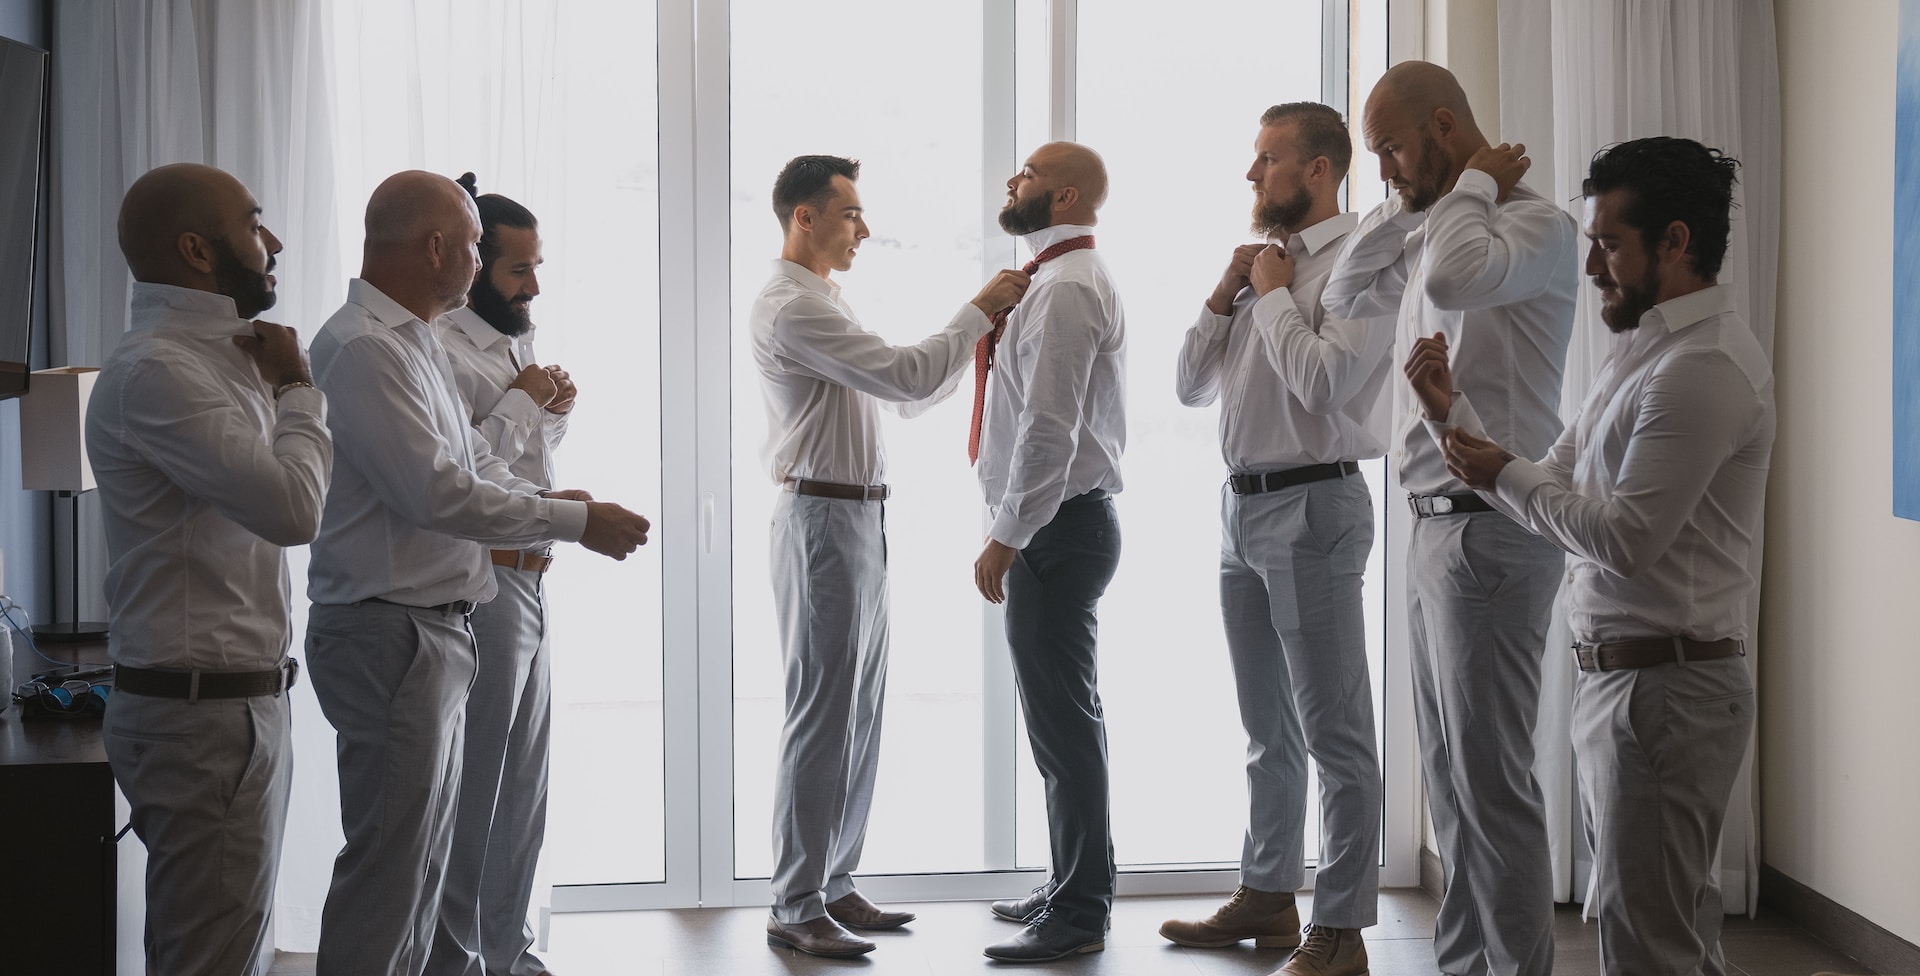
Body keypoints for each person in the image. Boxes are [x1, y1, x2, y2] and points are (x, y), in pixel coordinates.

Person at [1408, 137, 1770, 976]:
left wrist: (1500, 466)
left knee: (1649, 947)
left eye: (1609, 243)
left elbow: (1626, 542)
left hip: (1669, 692)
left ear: (1674, 243)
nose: (1593, 266)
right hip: (1631, 686)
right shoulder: (1640, 353)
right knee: (1656, 934)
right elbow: (1555, 482)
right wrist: (1449, 414)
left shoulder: (1699, 368)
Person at [305, 170, 652, 976]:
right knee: (391, 877)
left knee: (423, 867)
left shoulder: (415, 339)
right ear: (438, 248)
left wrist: (551, 489)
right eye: (472, 246)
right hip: (390, 625)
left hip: (438, 618)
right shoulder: (363, 346)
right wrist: (573, 518)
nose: (473, 264)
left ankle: (488, 955)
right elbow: (436, 491)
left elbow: (476, 464)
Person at [1322, 60, 1578, 976]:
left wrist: (1469, 186)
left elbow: (1465, 282)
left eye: (1390, 147)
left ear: (1442, 124)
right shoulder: (1436, 223)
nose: (1383, 169)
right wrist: (1433, 191)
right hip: (1434, 524)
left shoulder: (1536, 225)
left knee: (1491, 784)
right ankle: (1464, 967)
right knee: (1449, 781)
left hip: (1495, 526)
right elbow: (1345, 288)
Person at [752, 154, 1031, 959]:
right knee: (822, 712)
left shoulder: (823, 300)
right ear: (805, 216)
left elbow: (905, 394)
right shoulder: (790, 307)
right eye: (850, 214)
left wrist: (969, 342)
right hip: (820, 519)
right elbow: (906, 379)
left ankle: (833, 884)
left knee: (859, 710)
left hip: (856, 521)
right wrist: (976, 311)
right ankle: (796, 901)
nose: (864, 229)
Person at [1163, 102, 1393, 976]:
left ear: (1322, 170)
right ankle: (1267, 894)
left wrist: (1266, 300)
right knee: (1266, 726)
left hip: (1314, 507)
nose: (1252, 176)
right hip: (1240, 509)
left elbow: (1328, 382)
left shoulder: (1360, 262)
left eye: (1268, 160)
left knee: (1335, 728)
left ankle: (1341, 931)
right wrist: (1228, 295)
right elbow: (1188, 385)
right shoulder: (1265, 265)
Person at [87, 162, 329, 976]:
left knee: (229, 952)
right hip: (202, 720)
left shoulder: (222, 358)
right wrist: (299, 389)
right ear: (197, 249)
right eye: (254, 223)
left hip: (233, 708)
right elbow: (294, 509)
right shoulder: (162, 370)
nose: (275, 242)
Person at [972, 141, 1126, 964]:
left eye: (1027, 174)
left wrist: (1007, 533)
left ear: (1063, 195)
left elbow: (1049, 427)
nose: (1012, 182)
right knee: (1063, 722)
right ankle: (1074, 881)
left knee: (1064, 728)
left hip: (1056, 527)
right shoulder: (1050, 281)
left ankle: (1079, 914)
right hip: (1057, 523)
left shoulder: (1066, 289)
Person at [424, 176, 573, 976]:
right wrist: (521, 405)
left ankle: (509, 950)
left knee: (524, 787)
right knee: (474, 787)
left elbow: (523, 468)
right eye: (520, 270)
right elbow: (465, 474)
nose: (534, 285)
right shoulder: (438, 346)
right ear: (476, 268)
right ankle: (454, 961)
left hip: (533, 578)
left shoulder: (513, 338)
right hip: (482, 584)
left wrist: (549, 412)